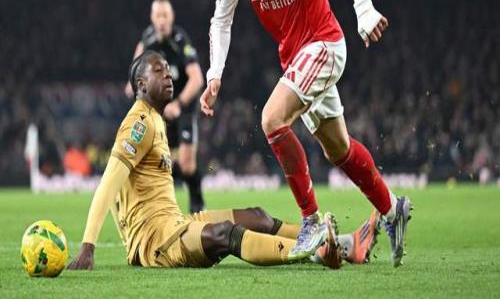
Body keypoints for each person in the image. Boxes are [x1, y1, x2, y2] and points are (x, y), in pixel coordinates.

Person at [200, 0, 412, 267]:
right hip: (297, 59)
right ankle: (392, 209)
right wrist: (215, 73)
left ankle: (311, 222)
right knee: (338, 150)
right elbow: (221, 21)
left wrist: (363, 7)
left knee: (271, 119)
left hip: (324, 45)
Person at [68, 51, 380, 270]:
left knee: (256, 217)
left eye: (168, 69)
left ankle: (343, 245)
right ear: (140, 84)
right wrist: (88, 246)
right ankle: (316, 252)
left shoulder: (155, 119)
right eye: (158, 70)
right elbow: (108, 183)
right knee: (225, 235)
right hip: (155, 241)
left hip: (174, 223)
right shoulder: (138, 124)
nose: (169, 74)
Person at [125, 0, 205, 213]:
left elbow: (197, 79)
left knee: (187, 164)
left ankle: (197, 203)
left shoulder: (180, 41)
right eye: (158, 15)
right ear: (152, 17)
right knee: (159, 160)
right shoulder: (147, 39)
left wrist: (178, 104)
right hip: (161, 109)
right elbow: (136, 64)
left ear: (172, 17)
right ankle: (160, 208)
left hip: (184, 107)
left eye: (165, 15)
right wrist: (131, 83)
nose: (162, 20)